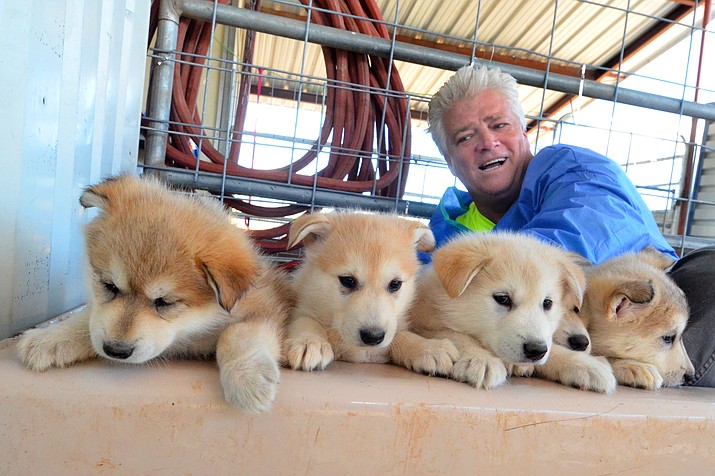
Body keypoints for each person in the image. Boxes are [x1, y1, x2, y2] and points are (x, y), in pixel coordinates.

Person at [426, 63, 715, 387]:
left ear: (523, 130)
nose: (488, 142)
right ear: (448, 159)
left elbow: (578, 238)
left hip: (653, 322)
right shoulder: (444, 236)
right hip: (536, 349)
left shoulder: (573, 170)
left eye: (499, 124)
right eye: (465, 137)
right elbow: (417, 300)